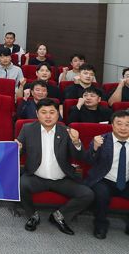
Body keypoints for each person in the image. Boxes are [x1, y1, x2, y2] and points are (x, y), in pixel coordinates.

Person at [16, 98, 93, 235]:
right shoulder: (27, 129)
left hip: (62, 178)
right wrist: (18, 148)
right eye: (43, 112)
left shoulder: (66, 131)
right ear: (37, 113)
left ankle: (59, 216)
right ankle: (33, 215)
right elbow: (19, 150)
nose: (48, 116)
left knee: (87, 194)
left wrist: (76, 142)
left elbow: (80, 157)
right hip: (36, 177)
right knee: (20, 185)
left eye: (52, 112)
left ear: (58, 114)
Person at [84, 110, 129, 239]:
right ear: (112, 125)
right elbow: (88, 160)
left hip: (126, 180)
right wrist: (95, 148)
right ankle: (100, 225)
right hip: (103, 179)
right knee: (102, 194)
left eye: (127, 124)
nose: (123, 128)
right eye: (119, 123)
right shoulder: (101, 140)